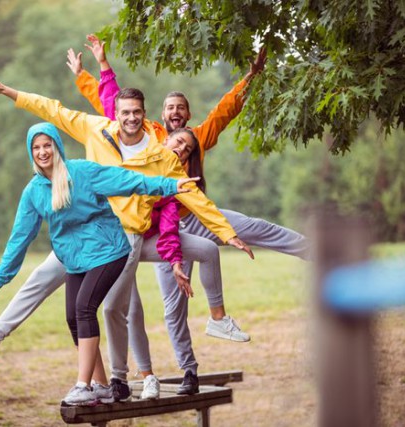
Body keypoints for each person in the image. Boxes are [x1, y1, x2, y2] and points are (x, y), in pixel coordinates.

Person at [0, 66, 253, 401]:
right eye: (125, 112)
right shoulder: (97, 130)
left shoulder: (160, 151)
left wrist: (226, 232)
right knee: (43, 278)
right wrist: (10, 92)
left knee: (113, 307)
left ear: (145, 115)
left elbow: (187, 193)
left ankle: (116, 379)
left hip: (125, 235)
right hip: (83, 234)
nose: (130, 118)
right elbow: (53, 110)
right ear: (116, 112)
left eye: (137, 113)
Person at [69, 34, 312, 390]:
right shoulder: (150, 136)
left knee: (256, 228)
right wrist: (90, 72)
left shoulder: (198, 136)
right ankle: (188, 371)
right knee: (173, 306)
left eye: (181, 108)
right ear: (161, 114)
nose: (175, 113)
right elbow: (111, 105)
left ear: (188, 115)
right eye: (170, 107)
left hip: (201, 218)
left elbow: (226, 109)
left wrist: (250, 78)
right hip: (164, 229)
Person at [0, 122, 196, 406]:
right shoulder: (34, 192)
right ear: (30, 153)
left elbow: (128, 181)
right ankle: (104, 387)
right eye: (36, 147)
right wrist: (0, 277)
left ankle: (83, 385)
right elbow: (20, 237)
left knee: (84, 308)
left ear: (57, 146)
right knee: (73, 318)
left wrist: (170, 184)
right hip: (75, 258)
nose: (43, 152)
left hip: (108, 250)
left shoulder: (83, 172)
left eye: (47, 145)